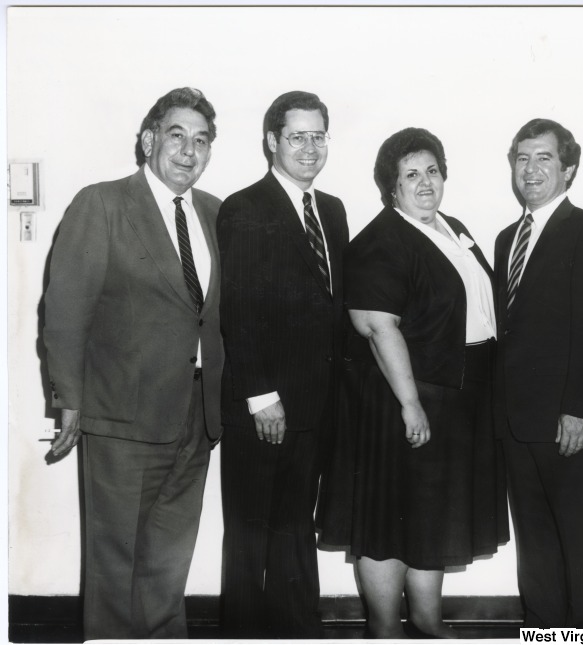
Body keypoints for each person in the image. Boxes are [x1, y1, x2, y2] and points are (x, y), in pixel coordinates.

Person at [43, 87, 222, 639]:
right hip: (121, 416)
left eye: (202, 140)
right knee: (115, 566)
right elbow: (65, 311)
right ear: (148, 140)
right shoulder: (101, 203)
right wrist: (69, 401)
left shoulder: (216, 213)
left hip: (195, 415)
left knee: (170, 562)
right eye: (177, 135)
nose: (189, 151)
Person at [318, 127, 508, 639]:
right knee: (388, 521)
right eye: (410, 174)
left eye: (431, 170)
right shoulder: (382, 240)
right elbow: (379, 328)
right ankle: (384, 630)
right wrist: (410, 404)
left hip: (456, 398)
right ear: (391, 185)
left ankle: (427, 623)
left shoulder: (452, 227)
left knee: (431, 519)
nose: (424, 182)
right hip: (401, 399)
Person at [217, 90, 349, 638]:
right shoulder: (244, 208)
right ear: (272, 141)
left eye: (319, 135)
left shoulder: (333, 209)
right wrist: (260, 395)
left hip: (316, 404)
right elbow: (239, 310)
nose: (310, 147)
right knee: (251, 537)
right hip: (263, 406)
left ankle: (297, 630)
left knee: (297, 530)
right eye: (298, 136)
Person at [494, 119, 583, 627]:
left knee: (579, 537)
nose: (531, 169)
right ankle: (544, 631)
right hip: (515, 420)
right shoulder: (505, 239)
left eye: (544, 158)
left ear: (568, 169)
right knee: (534, 537)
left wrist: (581, 410)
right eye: (523, 158)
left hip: (566, 418)